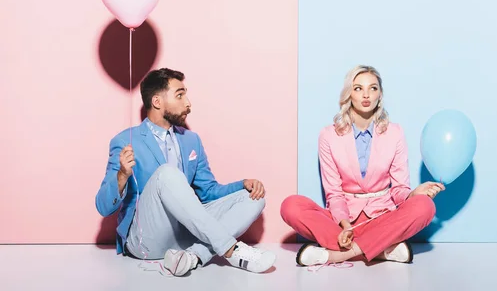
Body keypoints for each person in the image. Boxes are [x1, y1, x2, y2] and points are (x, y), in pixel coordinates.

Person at [95, 68, 276, 276]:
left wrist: (243, 184)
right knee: (167, 174)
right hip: (146, 240)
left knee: (254, 198)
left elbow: (208, 191)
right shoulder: (124, 141)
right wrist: (121, 177)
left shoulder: (192, 140)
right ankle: (230, 249)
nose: (188, 103)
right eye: (180, 95)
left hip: (186, 235)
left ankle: (193, 257)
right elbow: (102, 207)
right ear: (157, 102)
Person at [281, 65, 444, 267]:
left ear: (380, 94)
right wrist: (345, 225)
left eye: (373, 88)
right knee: (291, 206)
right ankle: (383, 250)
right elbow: (333, 193)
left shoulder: (395, 133)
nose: (366, 95)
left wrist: (414, 194)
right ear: (349, 93)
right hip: (341, 222)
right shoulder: (328, 135)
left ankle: (339, 254)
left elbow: (399, 189)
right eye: (358, 88)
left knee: (425, 205)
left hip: (383, 219)